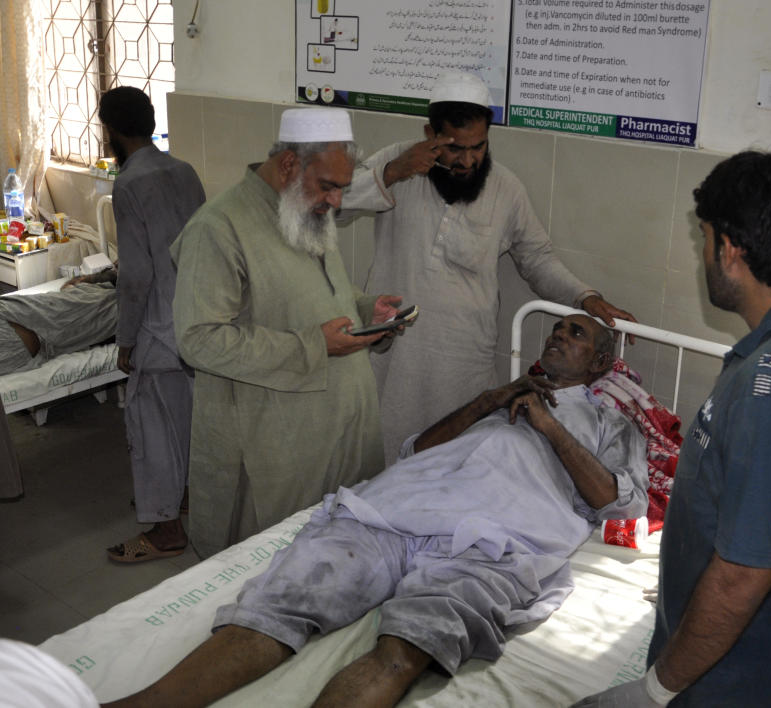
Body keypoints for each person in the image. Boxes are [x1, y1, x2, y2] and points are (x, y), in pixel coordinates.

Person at [104, 313, 648, 708]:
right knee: (279, 605)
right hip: (395, 511)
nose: (558, 335)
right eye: (556, 328)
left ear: (601, 363)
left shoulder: (608, 425)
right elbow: (415, 450)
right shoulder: (499, 399)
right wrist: (488, 401)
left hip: (497, 542)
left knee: (407, 646)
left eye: (576, 333)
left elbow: (623, 502)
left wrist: (549, 427)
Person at [575, 147, 771, 707]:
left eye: (705, 239)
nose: (704, 255)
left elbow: (742, 573)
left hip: (731, 681)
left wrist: (652, 691)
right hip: (767, 668)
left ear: (732, 250)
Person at [341, 71, 637, 462]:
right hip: (394, 358)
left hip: (461, 362)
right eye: (454, 148)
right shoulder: (398, 163)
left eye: (477, 147)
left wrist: (586, 297)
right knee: (381, 461)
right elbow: (336, 204)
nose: (467, 160)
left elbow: (536, 259)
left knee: (452, 465)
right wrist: (394, 171)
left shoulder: (505, 188)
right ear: (430, 133)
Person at [171, 107, 399, 559]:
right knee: (266, 575)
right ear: (290, 165)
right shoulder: (219, 228)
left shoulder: (305, 210)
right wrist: (314, 346)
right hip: (273, 450)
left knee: (336, 567)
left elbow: (314, 293)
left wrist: (363, 307)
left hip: (339, 431)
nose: (336, 202)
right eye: (329, 186)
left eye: (342, 188)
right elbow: (198, 339)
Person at [92, 86, 207, 563]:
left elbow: (136, 275)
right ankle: (182, 500)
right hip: (199, 321)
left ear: (113, 131)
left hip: (158, 328)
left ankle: (165, 532)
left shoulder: (129, 183)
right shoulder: (184, 171)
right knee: (186, 420)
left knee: (152, 428)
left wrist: (126, 339)